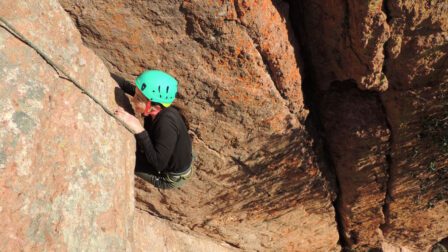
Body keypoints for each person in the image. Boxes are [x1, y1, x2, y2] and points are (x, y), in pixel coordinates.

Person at [113, 70, 193, 189]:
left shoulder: (165, 123)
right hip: (169, 153)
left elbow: (159, 164)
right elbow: (126, 85)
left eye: (138, 98)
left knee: (124, 156)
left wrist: (139, 130)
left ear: (154, 106)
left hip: (167, 176)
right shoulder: (156, 105)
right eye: (135, 95)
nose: (133, 100)